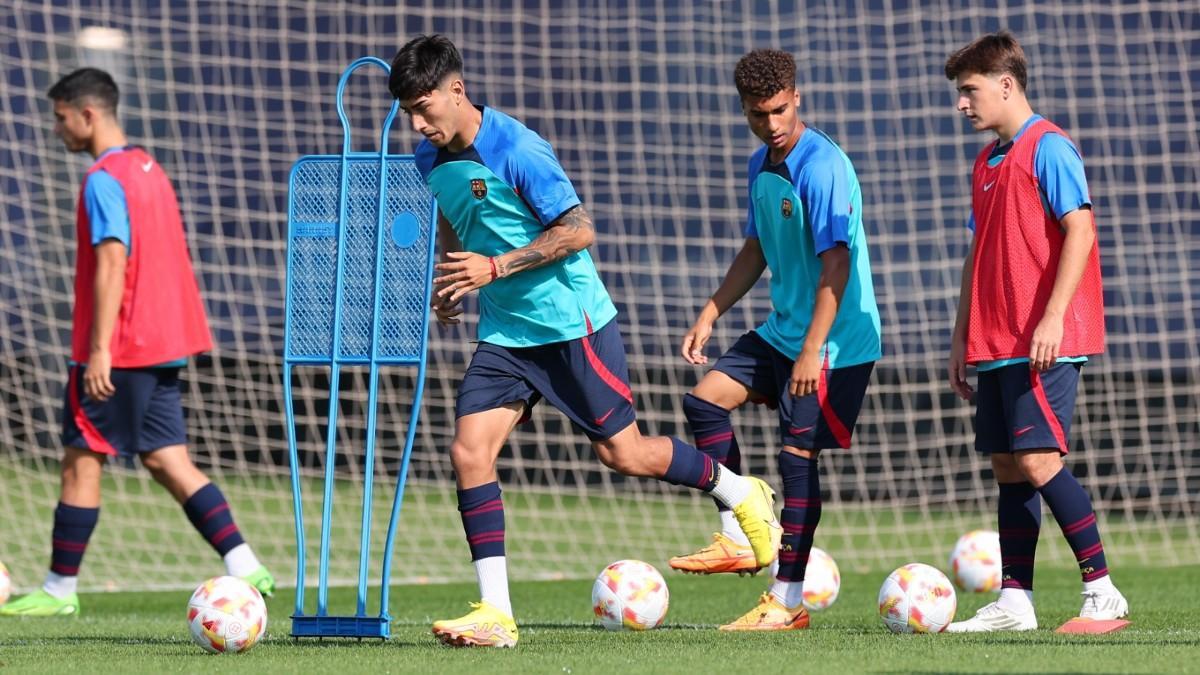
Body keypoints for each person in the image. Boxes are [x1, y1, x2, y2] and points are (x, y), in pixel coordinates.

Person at [388, 35, 783, 648]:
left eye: (424, 107)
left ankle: (739, 489)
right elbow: (452, 213)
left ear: (455, 90)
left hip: (573, 324)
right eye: (409, 112)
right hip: (507, 334)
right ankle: (496, 613)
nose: (418, 123)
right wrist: (452, 276)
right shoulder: (428, 159)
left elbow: (578, 232)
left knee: (622, 455)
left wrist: (494, 268)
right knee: (468, 453)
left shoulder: (517, 148)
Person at [0, 68, 273, 617]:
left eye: (60, 119)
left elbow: (112, 258)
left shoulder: (103, 178)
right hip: (166, 342)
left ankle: (57, 590)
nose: (57, 131)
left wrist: (100, 348)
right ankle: (246, 566)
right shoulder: (149, 168)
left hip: (122, 345)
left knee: (81, 460)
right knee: (168, 459)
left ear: (88, 114)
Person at [670, 49, 881, 631]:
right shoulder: (760, 166)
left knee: (796, 458)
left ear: (798, 97)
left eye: (781, 110)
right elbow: (758, 246)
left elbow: (835, 264)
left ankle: (786, 602)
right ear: (744, 110)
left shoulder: (823, 166)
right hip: (783, 331)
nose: (773, 125)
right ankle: (742, 530)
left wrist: (812, 350)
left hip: (835, 343)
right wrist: (711, 311)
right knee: (703, 399)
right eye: (759, 115)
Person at [943, 32, 1128, 632]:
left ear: (1005, 84)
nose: (962, 105)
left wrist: (1051, 316)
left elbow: (1081, 230)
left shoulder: (1048, 147)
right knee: (1007, 465)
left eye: (969, 91)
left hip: (1045, 339)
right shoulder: (986, 160)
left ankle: (1102, 589)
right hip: (995, 340)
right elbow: (978, 254)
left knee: (1039, 459)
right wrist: (960, 335)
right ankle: (1015, 601)